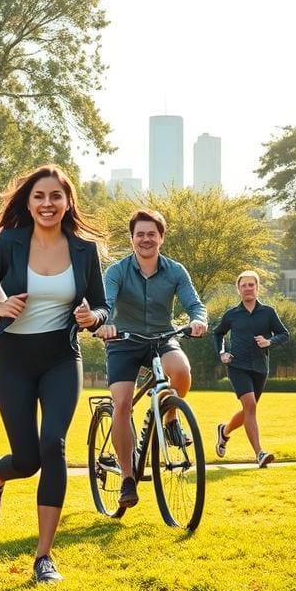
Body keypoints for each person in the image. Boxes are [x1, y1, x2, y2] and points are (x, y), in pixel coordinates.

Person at [0, 164, 109, 584]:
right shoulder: (10, 243)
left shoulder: (84, 250)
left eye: (55, 196)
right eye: (39, 197)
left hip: (61, 358)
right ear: (28, 203)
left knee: (54, 445)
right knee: (26, 460)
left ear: (68, 202)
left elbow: (104, 306)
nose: (47, 204)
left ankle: (44, 556)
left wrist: (91, 316)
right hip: (13, 359)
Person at [93, 209, 207, 509]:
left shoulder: (175, 271)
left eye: (151, 234)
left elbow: (195, 304)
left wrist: (198, 320)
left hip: (161, 338)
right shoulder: (116, 271)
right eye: (140, 234)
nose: (146, 239)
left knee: (181, 371)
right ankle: (128, 478)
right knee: (122, 405)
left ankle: (169, 419)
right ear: (132, 238)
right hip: (124, 341)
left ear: (161, 237)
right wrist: (103, 324)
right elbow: (105, 304)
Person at [212, 271, 289, 467]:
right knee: (251, 406)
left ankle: (225, 431)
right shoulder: (232, 314)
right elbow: (218, 333)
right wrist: (222, 353)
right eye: (244, 285)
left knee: (249, 409)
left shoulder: (268, 312)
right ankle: (259, 453)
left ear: (257, 288)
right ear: (238, 289)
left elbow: (284, 334)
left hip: (260, 367)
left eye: (251, 285)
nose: (248, 288)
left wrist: (269, 341)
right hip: (237, 365)